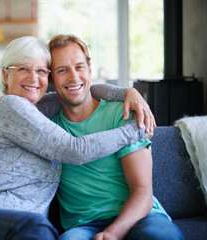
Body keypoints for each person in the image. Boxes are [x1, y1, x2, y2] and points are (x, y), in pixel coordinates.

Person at [0, 36, 150, 240]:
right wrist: (136, 129)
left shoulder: (39, 108)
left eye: (40, 71)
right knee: (38, 229)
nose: (33, 77)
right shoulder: (11, 105)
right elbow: (74, 150)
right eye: (23, 69)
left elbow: (84, 90)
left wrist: (128, 93)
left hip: (20, 228)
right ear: (5, 74)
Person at [46, 34, 183, 240]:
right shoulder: (46, 128)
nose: (74, 77)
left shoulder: (123, 113)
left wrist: (113, 233)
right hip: (84, 226)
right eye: (62, 70)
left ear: (90, 71)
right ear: (51, 78)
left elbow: (143, 192)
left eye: (79, 67)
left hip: (142, 218)